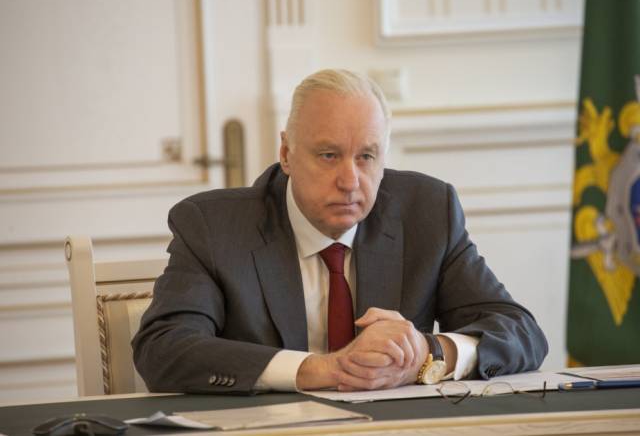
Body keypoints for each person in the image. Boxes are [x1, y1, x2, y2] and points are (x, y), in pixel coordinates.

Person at [132, 69, 547, 394]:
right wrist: (322, 369)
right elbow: (163, 349)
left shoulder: (428, 212)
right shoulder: (213, 227)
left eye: (366, 156)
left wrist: (429, 352)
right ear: (286, 153)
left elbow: (521, 332)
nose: (350, 181)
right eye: (329, 155)